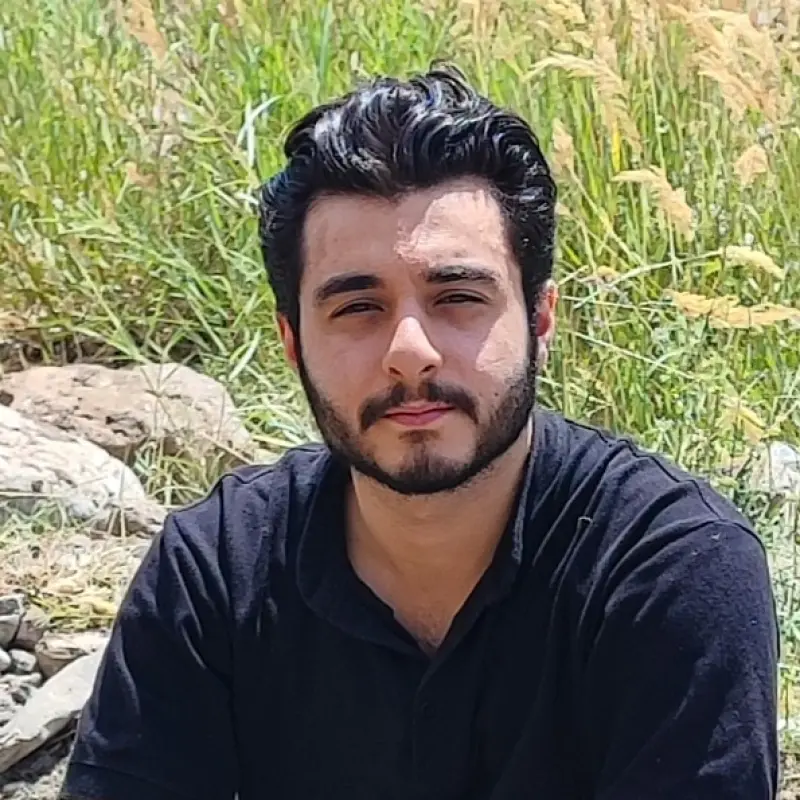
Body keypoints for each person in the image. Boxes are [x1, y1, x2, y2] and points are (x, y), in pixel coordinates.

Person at [60, 63, 779, 800]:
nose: (410, 351)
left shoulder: (671, 569)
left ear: (540, 321)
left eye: (458, 296)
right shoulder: (216, 570)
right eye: (357, 308)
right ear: (292, 342)